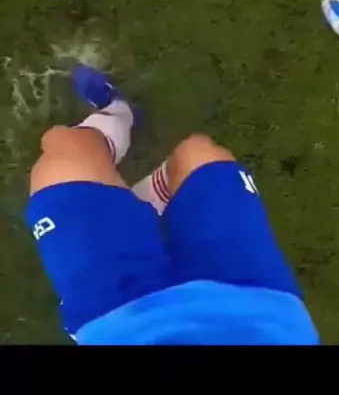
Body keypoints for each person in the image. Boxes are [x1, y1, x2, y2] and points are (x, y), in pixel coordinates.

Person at [26, 64, 319, 345]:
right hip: (259, 315)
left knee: (63, 150)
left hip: (123, 324)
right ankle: (128, 148)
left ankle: (117, 117)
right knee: (199, 154)